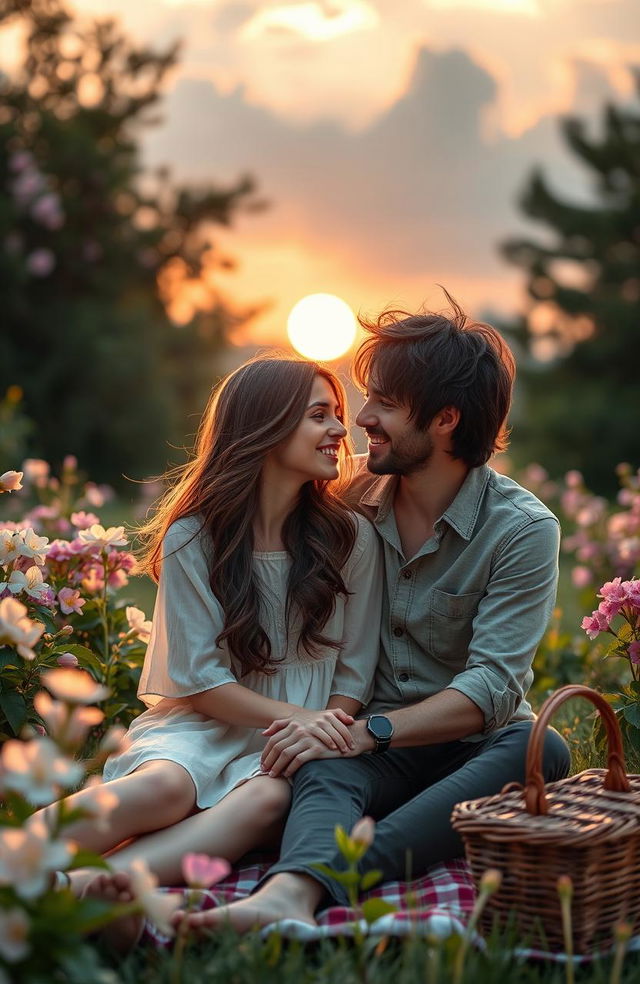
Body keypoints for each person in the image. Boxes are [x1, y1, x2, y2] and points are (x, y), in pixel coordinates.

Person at [179, 294, 572, 935]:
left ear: (445, 419)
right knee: (324, 762)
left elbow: (492, 686)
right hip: (366, 746)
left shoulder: (522, 530)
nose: (361, 419)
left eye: (384, 404)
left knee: (540, 745)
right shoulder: (347, 495)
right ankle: (287, 896)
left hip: (465, 748)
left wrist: (369, 732)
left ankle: (328, 874)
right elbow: (254, 499)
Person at [41, 356, 382, 912]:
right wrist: (306, 720)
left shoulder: (350, 539)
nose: (341, 432)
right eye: (321, 415)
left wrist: (321, 731)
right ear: (267, 427)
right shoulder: (194, 536)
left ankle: (80, 892)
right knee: (167, 787)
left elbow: (355, 667)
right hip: (206, 720)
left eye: (338, 414)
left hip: (297, 740)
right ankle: (18, 859)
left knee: (267, 799)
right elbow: (198, 681)